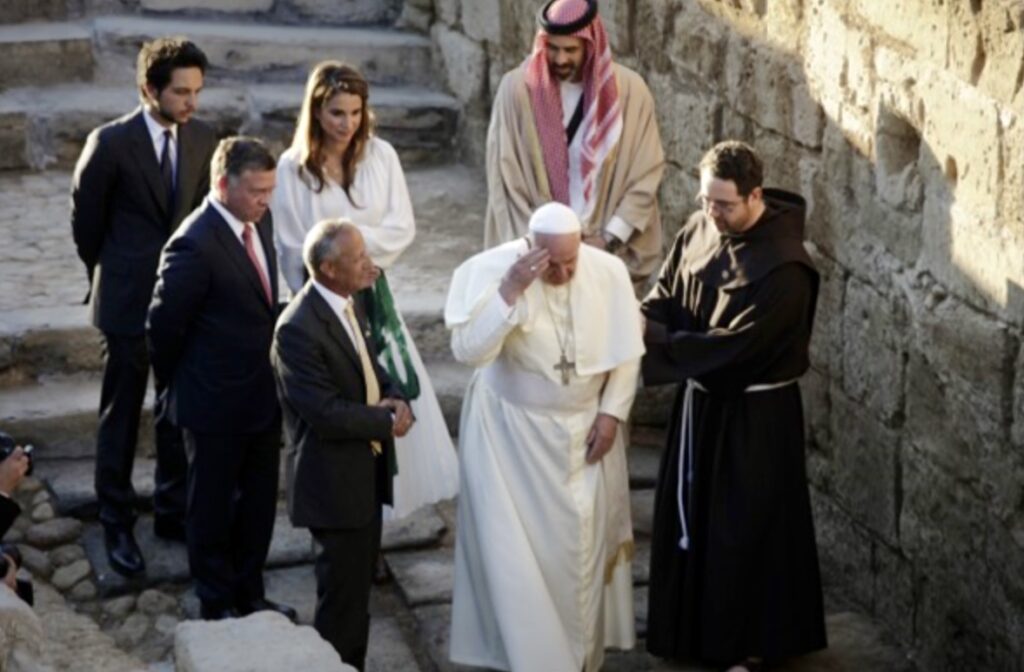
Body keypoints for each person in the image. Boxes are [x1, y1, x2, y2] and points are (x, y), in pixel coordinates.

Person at [640, 141, 827, 671]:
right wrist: (642, 315)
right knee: (692, 520)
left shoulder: (787, 270)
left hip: (753, 422)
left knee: (742, 530)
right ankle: (688, 630)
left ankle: (742, 642)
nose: (711, 215)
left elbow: (739, 347)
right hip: (700, 408)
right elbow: (669, 291)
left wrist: (655, 336)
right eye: (706, 201)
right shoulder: (701, 227)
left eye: (724, 205)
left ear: (755, 195)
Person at [445, 202, 643, 671]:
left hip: (586, 436)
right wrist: (510, 291)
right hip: (509, 442)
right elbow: (468, 352)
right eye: (550, 264)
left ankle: (578, 660)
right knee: (513, 562)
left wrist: (613, 414)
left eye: (570, 261)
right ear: (529, 249)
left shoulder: (608, 272)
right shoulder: (492, 270)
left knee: (581, 556)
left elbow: (628, 352)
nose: (562, 272)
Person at [272, 61, 458, 520]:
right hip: (323, 299)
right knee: (347, 402)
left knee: (389, 388)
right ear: (316, 111)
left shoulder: (382, 156)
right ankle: (348, 512)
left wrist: (348, 247)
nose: (347, 124)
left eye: (355, 113)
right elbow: (293, 245)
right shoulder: (292, 169)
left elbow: (401, 227)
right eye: (337, 113)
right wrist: (340, 259)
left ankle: (381, 511)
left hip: (373, 289)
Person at [70, 37, 218, 576]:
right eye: (181, 91)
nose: (191, 102)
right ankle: (115, 518)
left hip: (182, 300)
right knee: (123, 411)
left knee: (177, 408)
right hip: (126, 298)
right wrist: (110, 275)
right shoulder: (109, 142)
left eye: (197, 91)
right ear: (148, 88)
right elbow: (86, 222)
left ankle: (171, 510)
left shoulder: (203, 138)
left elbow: (202, 218)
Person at [147, 136, 295, 623]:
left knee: (257, 505)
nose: (265, 200)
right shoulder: (194, 242)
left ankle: (250, 593)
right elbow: (163, 327)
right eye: (256, 190)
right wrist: (184, 385)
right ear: (222, 184)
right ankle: (216, 601)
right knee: (210, 507)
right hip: (211, 402)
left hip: (260, 395)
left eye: (270, 190)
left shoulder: (260, 220)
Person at [271, 219, 413, 670]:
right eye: (358, 258)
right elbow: (324, 412)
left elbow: (369, 367)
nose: (369, 264)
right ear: (330, 268)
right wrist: (386, 420)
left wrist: (394, 396)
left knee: (356, 597)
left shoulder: (348, 304)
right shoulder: (297, 328)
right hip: (334, 486)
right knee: (341, 605)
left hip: (361, 478)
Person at [484, 0, 665, 286]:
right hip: (537, 252)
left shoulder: (630, 92)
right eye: (552, 48)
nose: (559, 59)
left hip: (602, 249)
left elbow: (645, 174)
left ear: (591, 46)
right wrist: (540, 245)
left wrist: (607, 239)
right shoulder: (516, 90)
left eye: (571, 50)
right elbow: (506, 177)